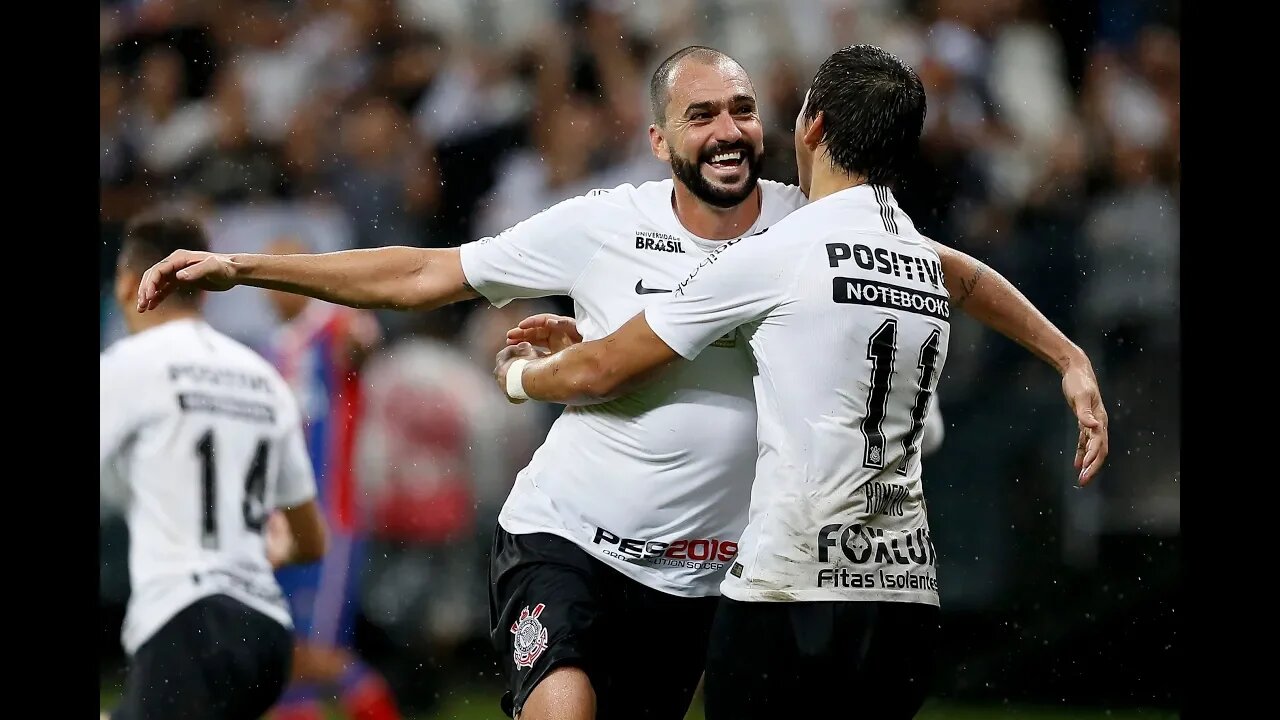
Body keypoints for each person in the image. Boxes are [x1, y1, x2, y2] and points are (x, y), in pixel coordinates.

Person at [134, 45, 1105, 720]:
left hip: (711, 580)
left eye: (739, 110)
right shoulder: (599, 223)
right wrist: (247, 270)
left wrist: (1062, 354)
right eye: (700, 116)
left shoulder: (804, 223)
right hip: (572, 540)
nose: (727, 131)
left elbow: (951, 272)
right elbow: (426, 272)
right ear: (658, 141)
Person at [493, 45, 1109, 720]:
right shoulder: (918, 256)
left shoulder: (779, 248)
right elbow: (975, 280)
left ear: (812, 127)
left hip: (791, 590)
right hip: (902, 598)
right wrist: (1069, 358)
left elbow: (606, 367)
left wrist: (522, 376)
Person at [100, 210, 328, 720]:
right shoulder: (263, 377)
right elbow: (312, 539)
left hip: (186, 617)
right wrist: (253, 550)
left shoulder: (130, 364)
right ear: (203, 290)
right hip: (266, 632)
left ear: (127, 283)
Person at [259, 236, 401, 720]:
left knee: (315, 654)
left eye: (286, 265)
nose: (273, 283)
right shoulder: (271, 348)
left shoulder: (334, 325)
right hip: (280, 520)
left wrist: (357, 327)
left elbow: (364, 341)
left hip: (329, 515)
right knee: (284, 653)